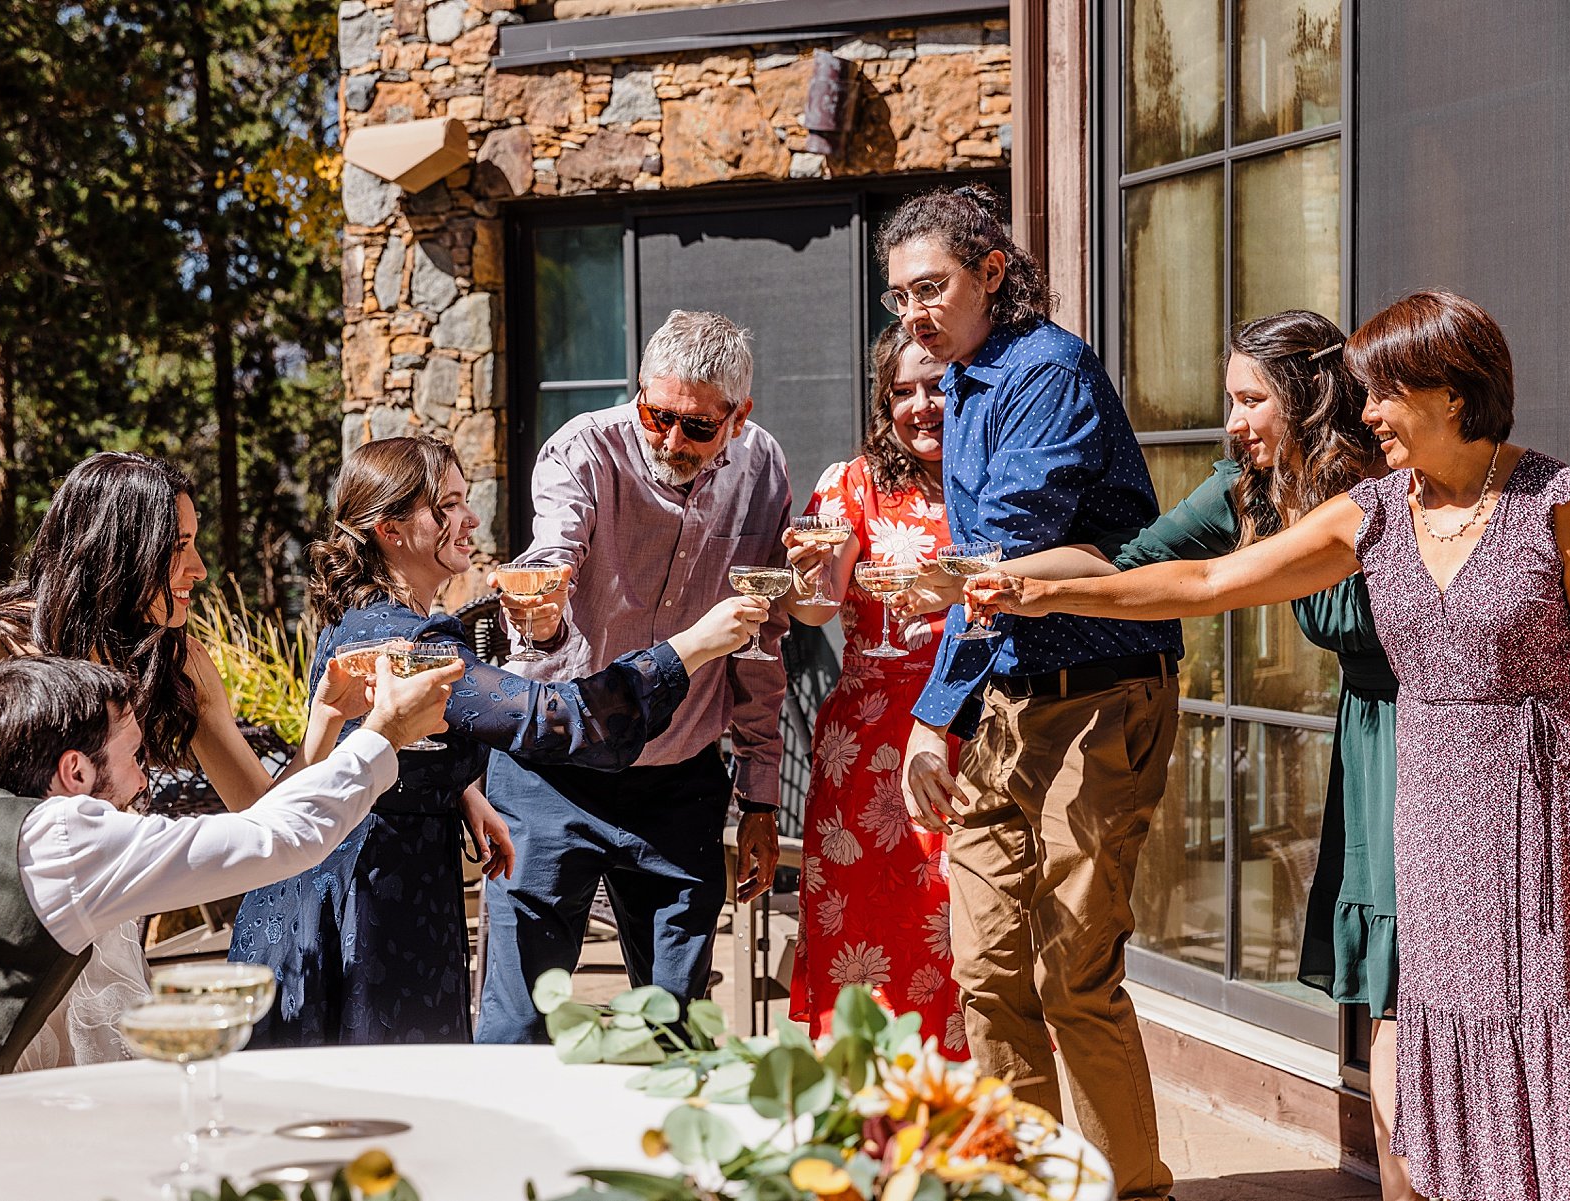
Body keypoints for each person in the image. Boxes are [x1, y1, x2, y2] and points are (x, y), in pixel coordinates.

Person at [970, 290, 1570, 1201]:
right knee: (1434, 1038)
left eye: (1383, 392)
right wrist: (1040, 593)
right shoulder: (1374, 513)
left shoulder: (1564, 500)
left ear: (1454, 396)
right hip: (1431, 806)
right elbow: (1205, 578)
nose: (1368, 410)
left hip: (1540, 812)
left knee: (1548, 1028)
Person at [910, 309, 1417, 1195]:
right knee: (1384, 980)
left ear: (1303, 399)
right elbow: (1132, 567)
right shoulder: (1246, 489)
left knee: (1414, 978)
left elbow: (1209, 585)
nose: (1235, 421)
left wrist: (1022, 585)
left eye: (1251, 400)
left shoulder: (1383, 485)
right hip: (1367, 731)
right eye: (1231, 399)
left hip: (1430, 731)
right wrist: (995, 581)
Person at [230, 434, 768, 1046]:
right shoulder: (413, 645)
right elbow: (556, 720)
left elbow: (391, 743)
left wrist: (458, 789)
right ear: (390, 529)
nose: (471, 518)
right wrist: (692, 646)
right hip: (371, 896)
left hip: (375, 875)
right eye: (449, 505)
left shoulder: (365, 616)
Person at [882, 185, 1183, 1201]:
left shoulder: (1047, 370)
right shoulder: (964, 381)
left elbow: (1000, 552)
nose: (914, 314)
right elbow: (982, 580)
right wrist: (955, 706)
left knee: (1073, 975)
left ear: (992, 273)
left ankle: (1131, 1190)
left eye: (931, 287)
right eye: (900, 299)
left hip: (1103, 695)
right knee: (989, 971)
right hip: (1007, 702)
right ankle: (1034, 1184)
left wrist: (931, 712)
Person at [0, 451, 371, 1069]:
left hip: (103, 955)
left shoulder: (176, 662)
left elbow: (262, 816)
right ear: (119, 549)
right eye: (179, 545)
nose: (199, 568)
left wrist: (323, 727)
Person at [0, 652, 459, 1102]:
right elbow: (279, 838)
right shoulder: (61, 834)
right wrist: (384, 732)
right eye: (133, 756)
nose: (145, 779)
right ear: (75, 772)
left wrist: (324, 725)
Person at [475, 309, 792, 1044]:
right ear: (639, 392)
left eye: (698, 427)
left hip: (679, 780)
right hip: (554, 769)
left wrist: (760, 797)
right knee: (521, 1021)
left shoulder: (764, 468)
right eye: (657, 415)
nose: (671, 441)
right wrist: (541, 603)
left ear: (740, 416)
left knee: (676, 1028)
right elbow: (554, 547)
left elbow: (762, 636)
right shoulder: (583, 449)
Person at [778, 323, 966, 1056]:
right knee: (864, 932)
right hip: (868, 743)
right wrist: (806, 570)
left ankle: (957, 1118)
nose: (922, 405)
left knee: (962, 927)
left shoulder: (992, 475)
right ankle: (862, 1120)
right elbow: (817, 607)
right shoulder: (851, 482)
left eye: (937, 385)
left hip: (972, 726)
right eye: (902, 391)